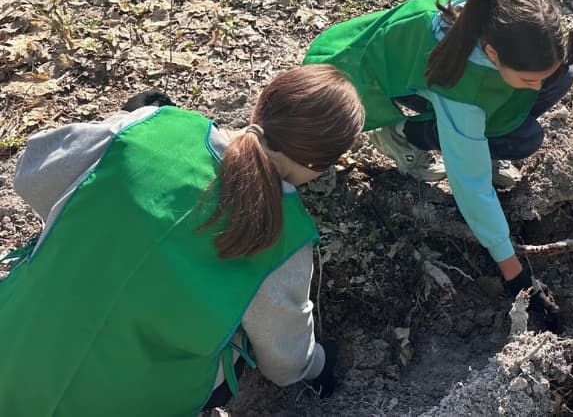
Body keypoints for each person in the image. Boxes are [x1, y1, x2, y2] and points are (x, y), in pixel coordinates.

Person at [0, 65, 364, 416]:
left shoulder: (152, 125)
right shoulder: (286, 237)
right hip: (123, 402)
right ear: (319, 165)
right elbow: (284, 362)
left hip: (13, 347)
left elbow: (31, 177)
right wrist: (318, 363)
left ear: (262, 103)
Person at [304, 0, 573, 303]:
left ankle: (481, 134)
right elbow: (470, 183)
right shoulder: (460, 86)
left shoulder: (509, 4)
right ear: (492, 54)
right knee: (522, 139)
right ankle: (401, 135)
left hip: (427, 64)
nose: (537, 87)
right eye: (526, 78)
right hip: (355, 75)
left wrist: (543, 74)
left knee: (561, 76)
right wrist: (512, 270)